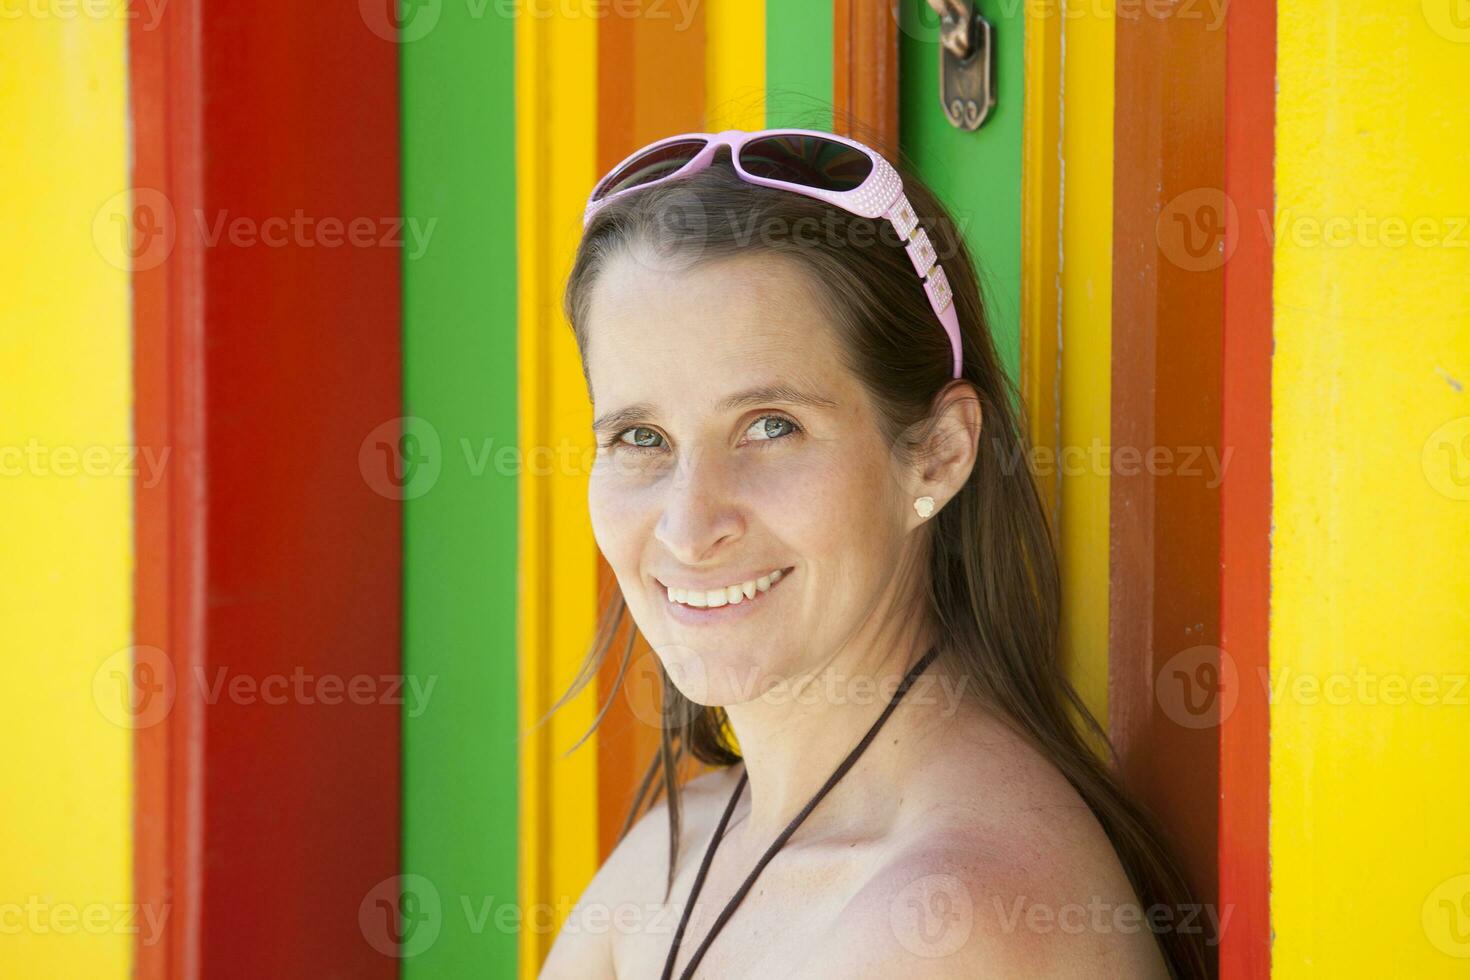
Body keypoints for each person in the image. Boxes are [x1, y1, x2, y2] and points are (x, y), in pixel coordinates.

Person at [538, 129, 1206, 978]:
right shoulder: (680, 852)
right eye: (641, 436)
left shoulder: (945, 922)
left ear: (938, 453)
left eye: (771, 427)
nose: (687, 524)